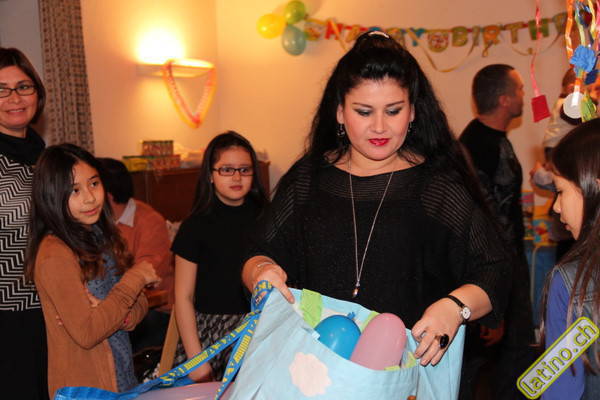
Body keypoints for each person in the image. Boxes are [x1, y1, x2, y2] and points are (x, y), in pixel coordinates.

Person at [242, 30, 511, 372]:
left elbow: (496, 269)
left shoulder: (436, 186)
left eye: (393, 111)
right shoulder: (308, 180)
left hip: (410, 373)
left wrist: (455, 307)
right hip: (313, 371)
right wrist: (262, 271)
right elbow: (257, 252)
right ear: (340, 112)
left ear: (412, 112)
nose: (380, 127)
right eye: (364, 111)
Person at [25, 144, 160, 397]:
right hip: (86, 389)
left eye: (94, 184)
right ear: (51, 196)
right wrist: (136, 278)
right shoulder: (55, 253)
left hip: (121, 378)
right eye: (74, 190)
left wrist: (117, 313)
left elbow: (138, 303)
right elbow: (88, 332)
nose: (89, 197)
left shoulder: (100, 235)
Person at [459, 64, 535, 399]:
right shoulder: (475, 146)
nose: (524, 95)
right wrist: (497, 288)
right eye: (519, 89)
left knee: (513, 353)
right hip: (494, 266)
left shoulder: (493, 140)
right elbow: (483, 219)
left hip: (508, 261)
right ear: (504, 99)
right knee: (503, 355)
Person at [172, 131, 269, 381]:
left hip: (259, 329)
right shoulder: (194, 226)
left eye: (245, 170)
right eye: (227, 170)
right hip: (210, 337)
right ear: (210, 174)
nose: (237, 177)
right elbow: (183, 297)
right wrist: (197, 361)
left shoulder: (268, 218)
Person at [0, 47, 49, 400]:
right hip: (8, 316)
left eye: (23, 86)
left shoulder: (49, 159)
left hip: (58, 309)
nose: (14, 98)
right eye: (1, 90)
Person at [540, 119, 600, 399]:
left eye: (561, 191)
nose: (556, 206)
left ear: (593, 188)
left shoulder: (570, 281)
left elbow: (562, 390)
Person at [98, 157, 174, 353]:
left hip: (156, 310)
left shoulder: (149, 221)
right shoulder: (98, 223)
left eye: (93, 186)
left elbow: (148, 276)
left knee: (109, 336)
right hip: (117, 305)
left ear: (108, 195)